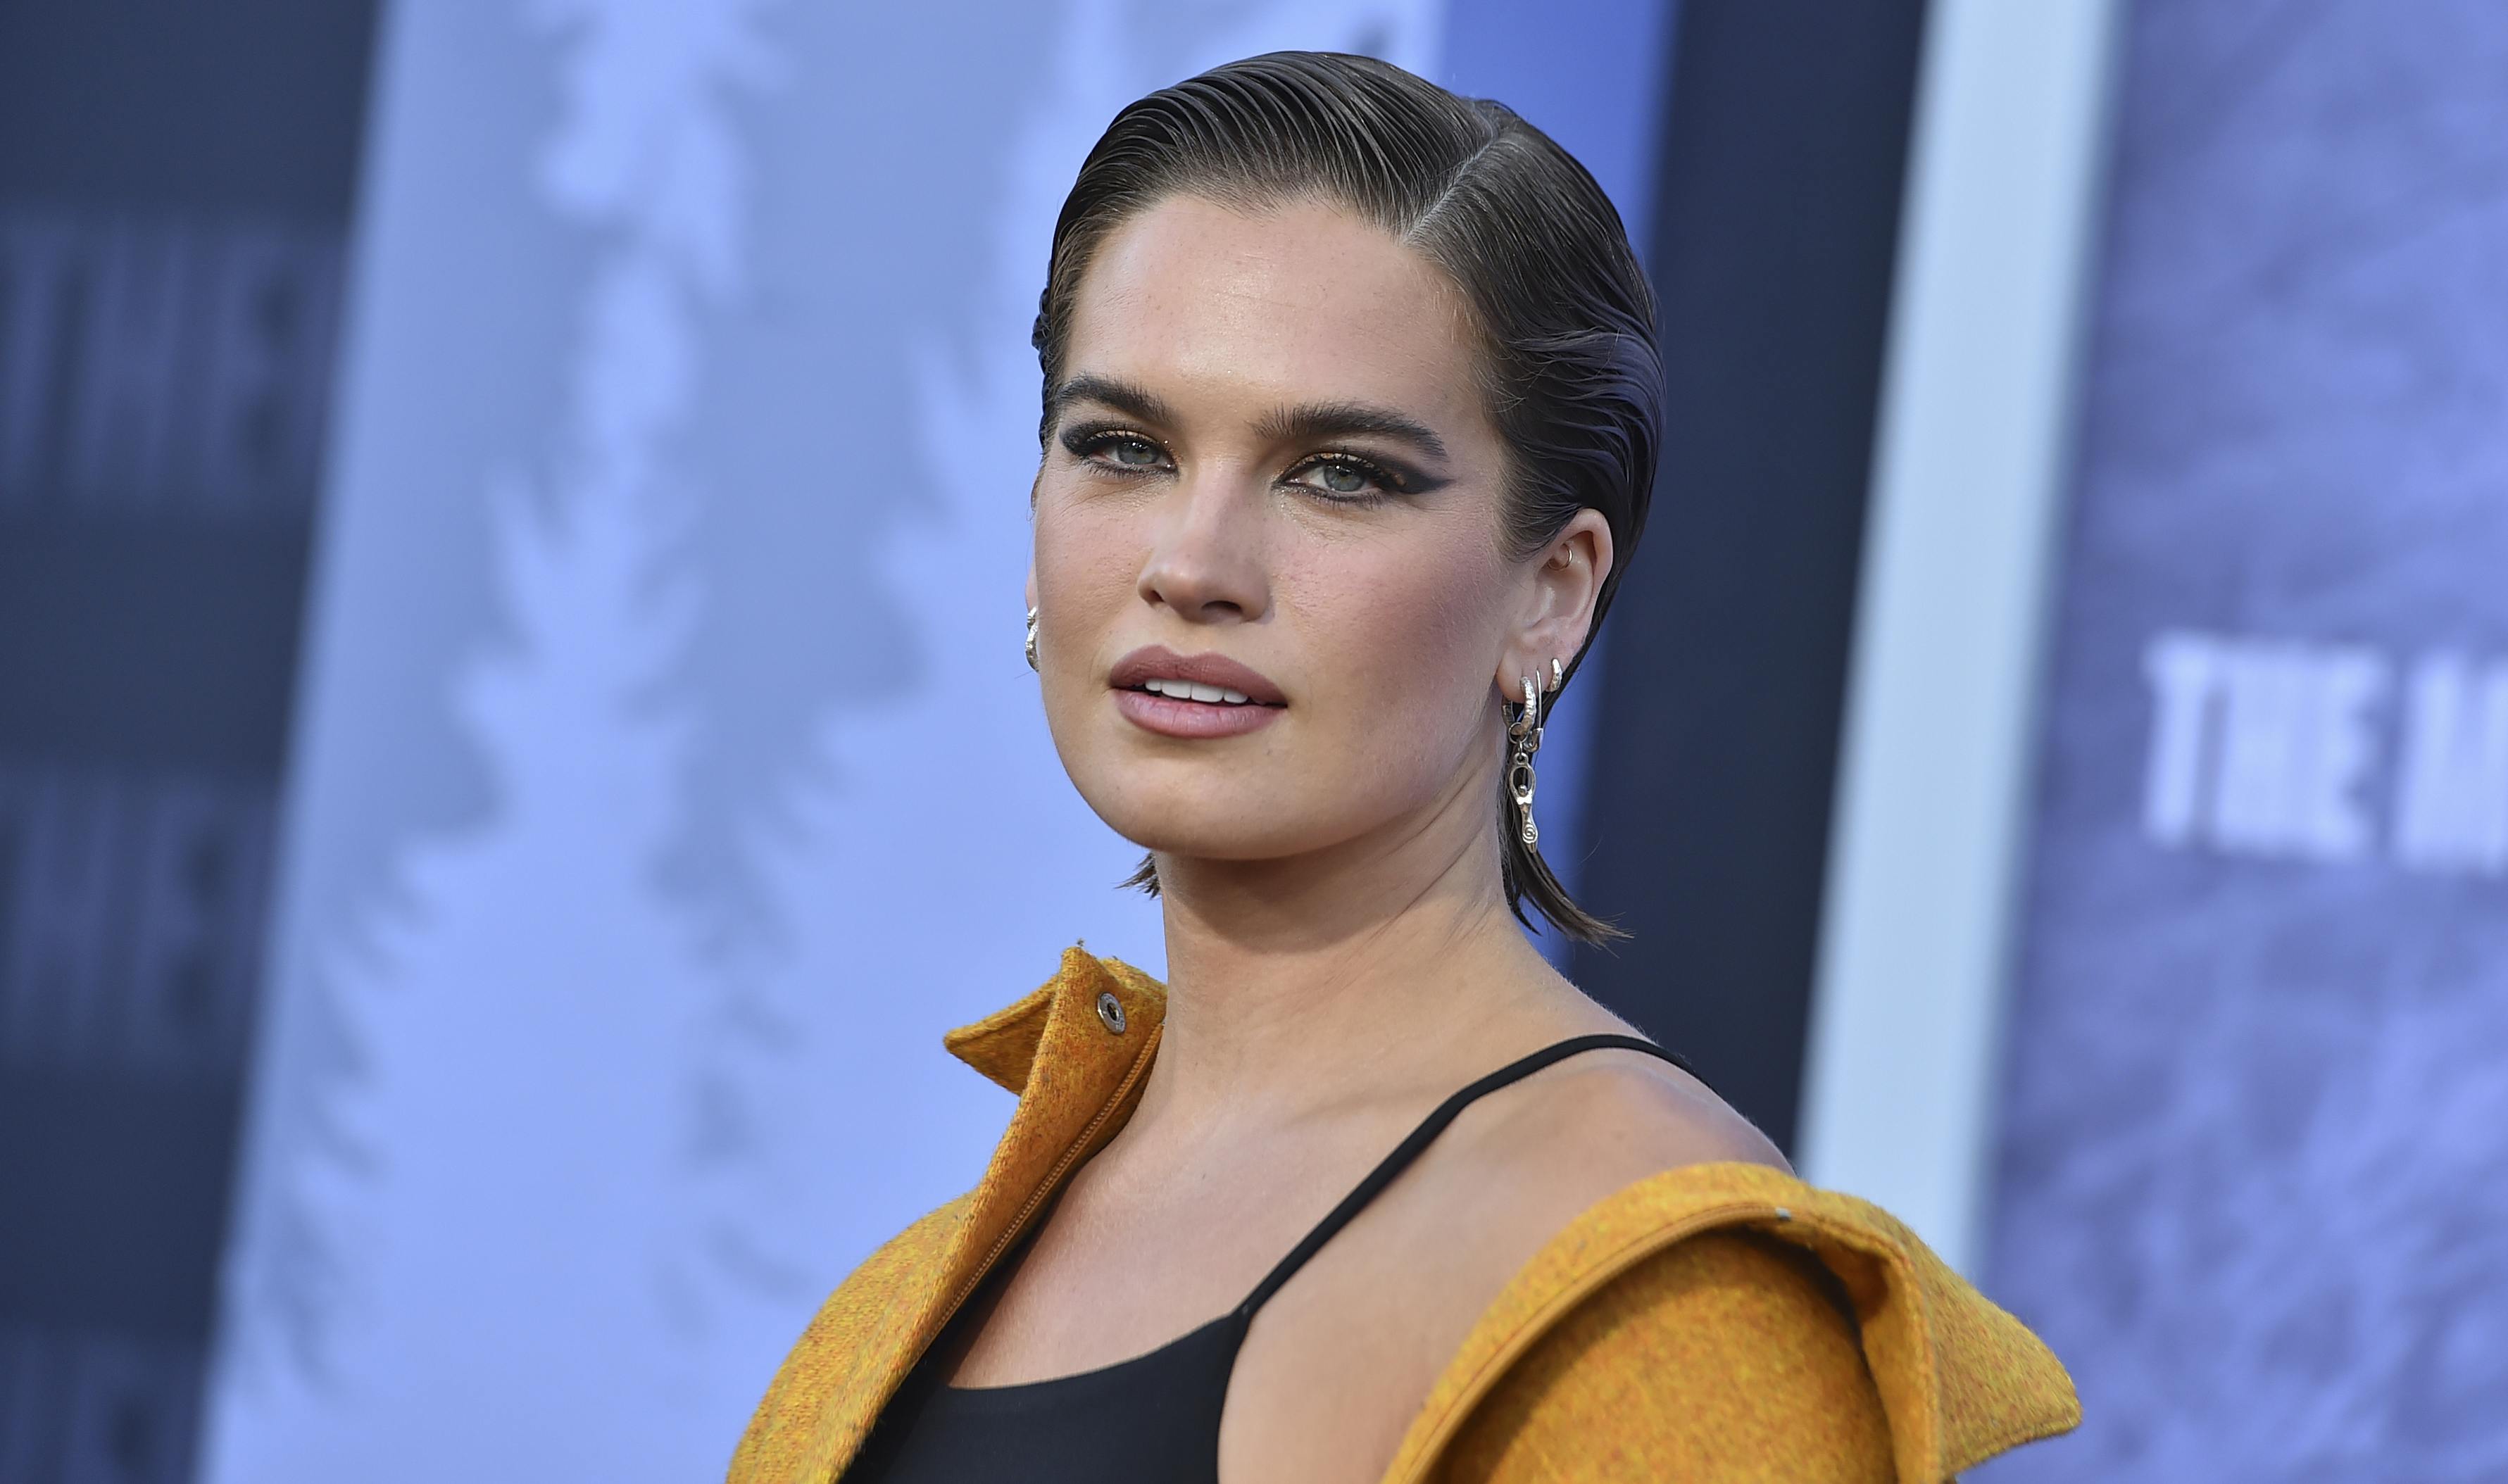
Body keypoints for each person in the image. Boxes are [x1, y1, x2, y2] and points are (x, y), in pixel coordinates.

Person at [729, 51, 2076, 1484]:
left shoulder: (1657, 1292)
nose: (1192, 566)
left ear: (1548, 593)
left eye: (1339, 473)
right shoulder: (924, 1280)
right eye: (1122, 447)